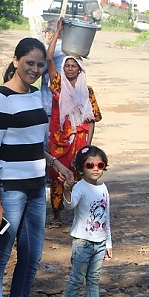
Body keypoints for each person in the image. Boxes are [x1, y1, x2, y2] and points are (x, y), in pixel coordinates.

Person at [0, 37, 73, 297]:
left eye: (39, 64)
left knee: (31, 258)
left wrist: (55, 163)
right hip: (9, 192)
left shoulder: (35, 96)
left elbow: (35, 145)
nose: (34, 69)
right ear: (16, 60)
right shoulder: (0, 100)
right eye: (29, 63)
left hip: (37, 189)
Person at [46, 18, 102, 221]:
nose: (69, 68)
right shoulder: (58, 86)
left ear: (80, 69)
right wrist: (58, 33)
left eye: (73, 66)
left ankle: (82, 212)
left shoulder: (87, 91)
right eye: (67, 65)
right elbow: (50, 58)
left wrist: (88, 144)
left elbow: (92, 120)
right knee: (57, 176)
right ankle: (57, 213)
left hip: (79, 140)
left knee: (81, 175)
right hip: (60, 141)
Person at [59, 145, 115, 297]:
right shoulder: (80, 187)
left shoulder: (103, 188)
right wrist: (66, 190)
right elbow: (70, 205)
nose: (96, 168)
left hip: (99, 242)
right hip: (82, 242)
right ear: (81, 167)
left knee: (94, 280)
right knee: (76, 280)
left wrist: (108, 243)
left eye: (100, 164)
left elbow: (106, 216)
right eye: (90, 165)